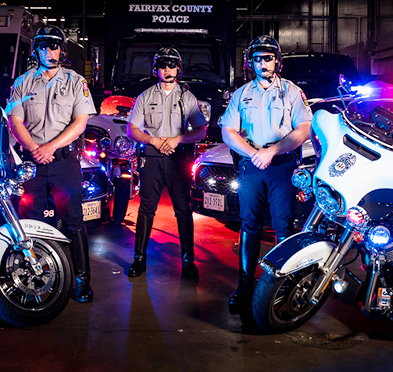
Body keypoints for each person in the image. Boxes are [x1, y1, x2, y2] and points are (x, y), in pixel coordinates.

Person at [220, 35, 312, 314]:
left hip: (281, 166)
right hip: (252, 167)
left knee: (283, 226)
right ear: (251, 62)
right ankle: (246, 285)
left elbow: (303, 129)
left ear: (277, 61)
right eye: (258, 58)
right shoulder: (241, 94)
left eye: (268, 57)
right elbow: (228, 130)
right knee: (249, 225)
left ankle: (281, 285)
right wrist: (253, 153)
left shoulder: (292, 92)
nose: (263, 62)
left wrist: (271, 152)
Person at [5, 25, 96, 303]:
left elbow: (81, 122)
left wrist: (50, 147)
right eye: (43, 46)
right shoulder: (22, 82)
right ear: (36, 50)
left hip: (63, 161)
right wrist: (34, 149)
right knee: (29, 221)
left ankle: (82, 280)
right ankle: (36, 277)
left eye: (54, 46)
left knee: (73, 219)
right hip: (32, 162)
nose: (49, 51)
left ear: (62, 50)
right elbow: (15, 121)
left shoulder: (75, 81)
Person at [126, 47, 207, 279]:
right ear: (156, 69)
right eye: (163, 65)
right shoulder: (145, 96)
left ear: (179, 69)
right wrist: (151, 139)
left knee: (183, 209)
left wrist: (178, 139)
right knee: (146, 209)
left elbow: (201, 131)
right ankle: (139, 260)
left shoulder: (187, 97)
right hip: (151, 157)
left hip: (178, 158)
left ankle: (188, 260)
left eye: (172, 65)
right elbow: (132, 129)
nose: (168, 69)